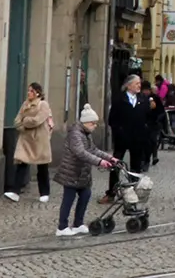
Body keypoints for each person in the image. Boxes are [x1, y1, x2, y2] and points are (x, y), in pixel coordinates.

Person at [56, 104, 116, 237]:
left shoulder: (86, 134)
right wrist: (100, 162)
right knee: (68, 199)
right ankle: (62, 226)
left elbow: (93, 149)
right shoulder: (76, 134)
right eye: (93, 123)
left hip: (82, 173)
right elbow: (81, 152)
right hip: (72, 172)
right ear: (86, 123)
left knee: (85, 196)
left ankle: (78, 224)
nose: (95, 126)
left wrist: (110, 158)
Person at [7, 82, 54, 203]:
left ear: (37, 92)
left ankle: (44, 192)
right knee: (21, 163)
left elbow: (37, 120)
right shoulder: (25, 104)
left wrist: (26, 121)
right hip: (26, 139)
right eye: (28, 90)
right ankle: (15, 192)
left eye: (31, 91)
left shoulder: (43, 105)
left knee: (42, 166)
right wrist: (23, 126)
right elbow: (17, 120)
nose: (29, 93)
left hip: (39, 139)